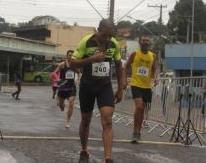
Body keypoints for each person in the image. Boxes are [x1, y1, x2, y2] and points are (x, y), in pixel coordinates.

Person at [70, 19, 123, 163]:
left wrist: (120, 88)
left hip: (104, 87)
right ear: (98, 31)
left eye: (110, 36)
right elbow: (72, 62)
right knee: (86, 120)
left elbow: (119, 66)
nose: (107, 39)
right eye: (105, 35)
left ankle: (108, 158)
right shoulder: (86, 41)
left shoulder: (114, 44)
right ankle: (84, 150)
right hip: (87, 86)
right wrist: (91, 59)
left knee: (107, 120)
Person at [124, 35, 157, 143]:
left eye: (147, 40)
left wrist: (155, 78)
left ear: (149, 43)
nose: (146, 42)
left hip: (147, 86)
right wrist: (125, 79)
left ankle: (138, 132)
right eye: (144, 40)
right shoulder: (135, 54)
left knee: (142, 110)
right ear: (140, 42)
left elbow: (154, 69)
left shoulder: (153, 56)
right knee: (138, 107)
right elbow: (126, 66)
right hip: (136, 84)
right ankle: (134, 132)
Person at [52, 50, 81, 128]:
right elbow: (54, 73)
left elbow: (79, 73)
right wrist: (57, 78)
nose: (71, 56)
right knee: (61, 105)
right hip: (62, 87)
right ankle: (62, 106)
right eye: (69, 55)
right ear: (67, 56)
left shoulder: (74, 65)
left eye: (72, 55)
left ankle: (67, 121)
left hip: (71, 87)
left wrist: (79, 80)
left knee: (71, 103)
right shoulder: (62, 64)